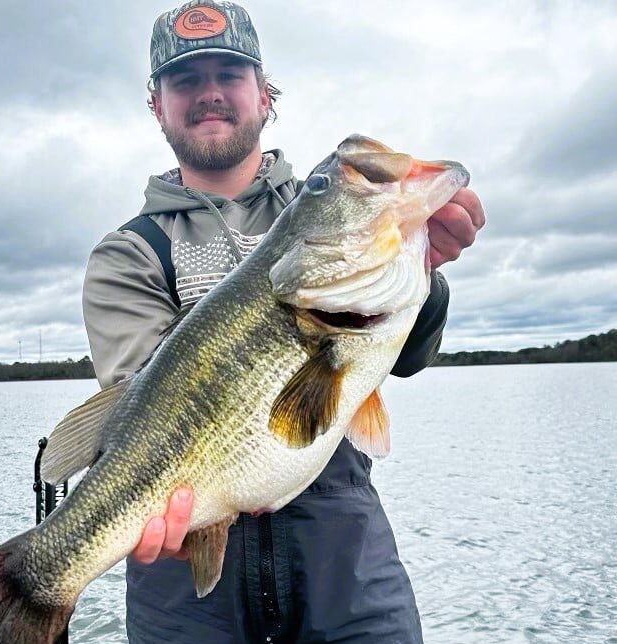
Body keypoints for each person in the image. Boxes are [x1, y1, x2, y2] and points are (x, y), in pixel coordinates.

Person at [82, 1, 485, 642]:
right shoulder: (128, 254)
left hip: (346, 568)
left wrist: (422, 270)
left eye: (229, 74)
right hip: (184, 592)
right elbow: (140, 414)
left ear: (265, 96)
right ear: (156, 104)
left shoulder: (327, 213)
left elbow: (404, 356)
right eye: (186, 79)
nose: (210, 93)